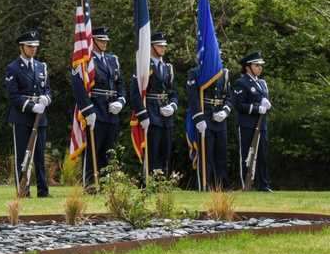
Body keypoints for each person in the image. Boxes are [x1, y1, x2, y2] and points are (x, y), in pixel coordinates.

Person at [71, 26, 127, 187]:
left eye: (105, 40)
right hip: (95, 110)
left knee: (109, 151)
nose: (104, 43)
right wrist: (88, 111)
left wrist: (121, 102)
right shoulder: (85, 61)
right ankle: (90, 185)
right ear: (92, 40)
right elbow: (78, 87)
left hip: (111, 112)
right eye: (101, 40)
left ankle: (106, 184)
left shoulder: (112, 60)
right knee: (93, 151)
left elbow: (120, 84)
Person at [5, 31, 53, 197]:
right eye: (30, 46)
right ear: (21, 47)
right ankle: (23, 190)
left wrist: (46, 98)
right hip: (22, 116)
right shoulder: (12, 68)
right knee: (23, 156)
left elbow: (47, 89)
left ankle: (43, 191)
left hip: (40, 118)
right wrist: (32, 106)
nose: (33, 49)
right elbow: (13, 96)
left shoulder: (42, 67)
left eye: (35, 46)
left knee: (39, 155)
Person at [130, 31, 178, 177]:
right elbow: (135, 94)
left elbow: (173, 94)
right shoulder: (143, 66)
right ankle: (148, 183)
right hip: (151, 114)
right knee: (152, 153)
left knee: (165, 153)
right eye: (159, 45)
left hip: (166, 117)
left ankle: (162, 185)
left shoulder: (168, 68)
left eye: (164, 45)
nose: (163, 48)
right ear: (151, 47)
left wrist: (173, 107)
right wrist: (143, 115)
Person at [187, 60, 232, 191]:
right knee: (206, 154)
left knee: (222, 154)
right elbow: (193, 98)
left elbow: (228, 97)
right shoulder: (196, 73)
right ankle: (204, 185)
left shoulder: (224, 73)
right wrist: (199, 118)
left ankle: (222, 187)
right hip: (205, 114)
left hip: (220, 116)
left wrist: (225, 111)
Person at [233, 50, 272, 192]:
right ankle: (248, 185)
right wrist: (257, 109)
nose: (260, 68)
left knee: (262, 154)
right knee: (248, 155)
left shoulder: (262, 83)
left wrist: (268, 106)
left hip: (261, 125)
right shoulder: (241, 83)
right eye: (257, 65)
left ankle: (263, 185)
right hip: (246, 124)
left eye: (261, 65)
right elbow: (238, 105)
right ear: (248, 67)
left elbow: (264, 104)